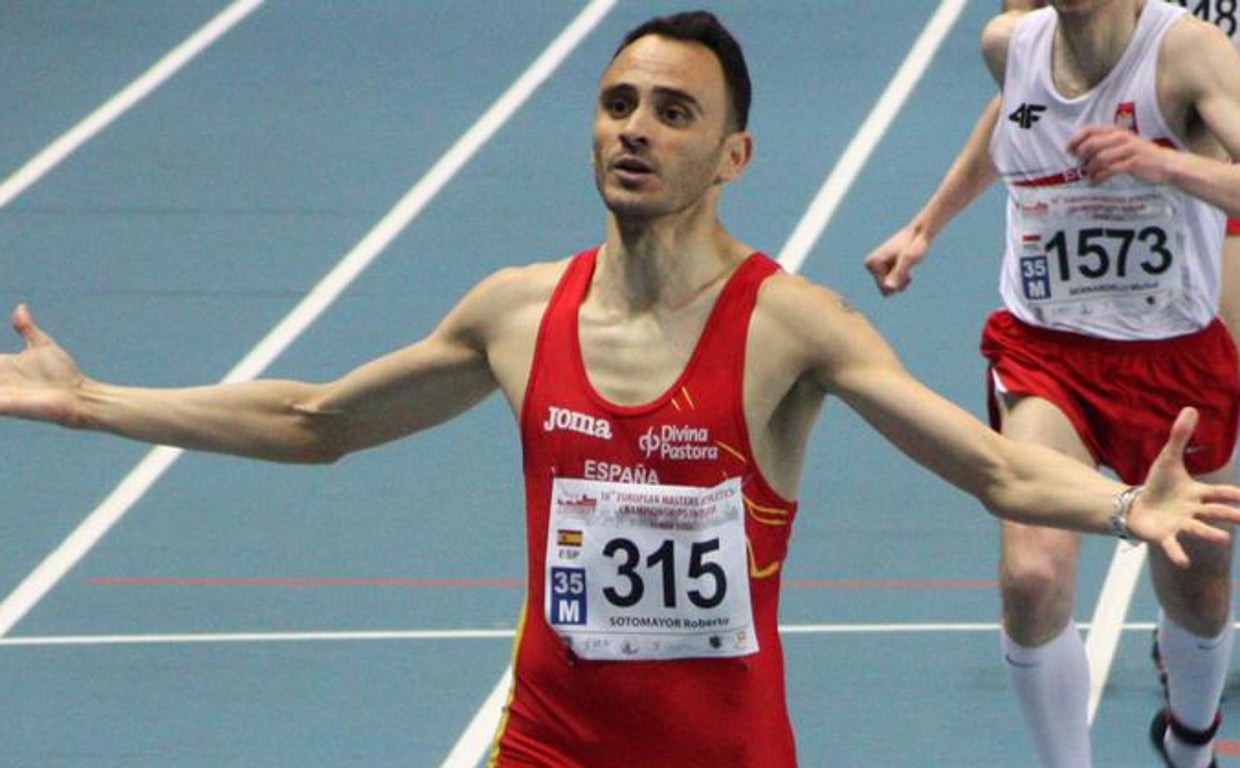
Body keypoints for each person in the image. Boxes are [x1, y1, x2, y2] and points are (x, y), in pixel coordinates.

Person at [4, 11, 1240, 768]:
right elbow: (316, 420)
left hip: (727, 756)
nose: (634, 130)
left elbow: (984, 466)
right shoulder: (515, 309)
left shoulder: (790, 326)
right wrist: (91, 400)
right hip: (548, 748)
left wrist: (1122, 506)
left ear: (735, 153)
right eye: (615, 105)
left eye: (673, 111)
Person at [864, 2, 1240, 767]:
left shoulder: (1189, 54)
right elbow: (1011, 119)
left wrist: (1160, 161)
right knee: (1032, 577)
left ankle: (1191, 741)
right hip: (1048, 351)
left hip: (1173, 355)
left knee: (1199, 587)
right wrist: (927, 223)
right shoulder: (1009, 44)